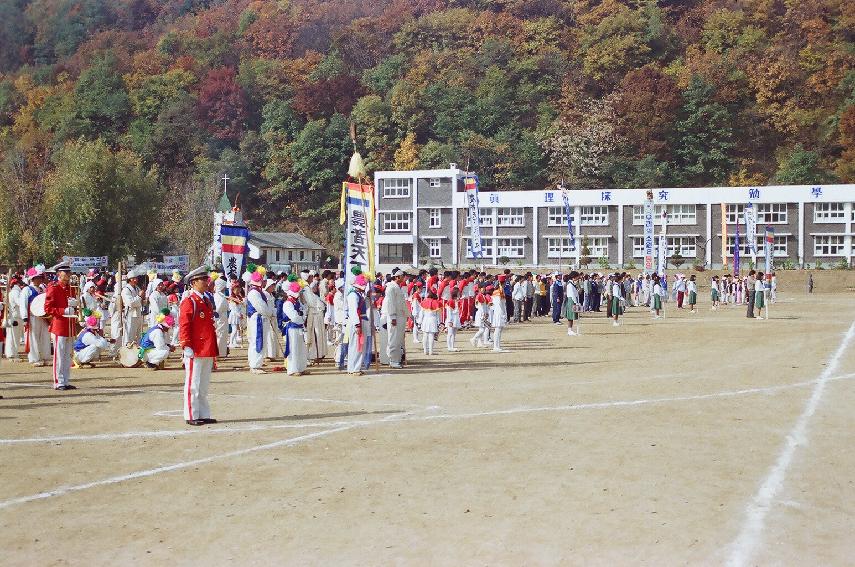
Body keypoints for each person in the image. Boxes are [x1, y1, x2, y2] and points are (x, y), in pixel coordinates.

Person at [179, 266, 217, 426]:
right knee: (193, 384)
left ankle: (203, 413)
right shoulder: (190, 301)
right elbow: (184, 324)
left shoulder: (206, 300)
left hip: (206, 347)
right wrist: (186, 344)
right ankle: (191, 414)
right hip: (195, 347)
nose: (206, 282)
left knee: (203, 384)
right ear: (194, 282)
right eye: (203, 279)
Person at [44, 263, 77, 390]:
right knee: (59, 355)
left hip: (69, 325)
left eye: (69, 273)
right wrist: (64, 311)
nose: (68, 275)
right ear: (59, 274)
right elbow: (47, 308)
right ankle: (58, 382)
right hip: (59, 325)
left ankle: (66, 380)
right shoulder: (53, 287)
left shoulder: (70, 288)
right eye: (66, 273)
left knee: (68, 355)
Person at [21, 266, 51, 366]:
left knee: (45, 337)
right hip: (32, 317)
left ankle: (45, 357)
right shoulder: (27, 290)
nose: (40, 279)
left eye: (40, 278)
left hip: (43, 317)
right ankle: (34, 358)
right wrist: (25, 318)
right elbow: (23, 304)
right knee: (33, 338)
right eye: (38, 278)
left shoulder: (42, 289)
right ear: (33, 279)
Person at [246, 268, 273, 374]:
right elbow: (261, 307)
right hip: (258, 319)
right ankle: (255, 365)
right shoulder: (254, 292)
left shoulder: (258, 291)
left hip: (261, 318)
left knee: (259, 341)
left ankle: (256, 362)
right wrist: (269, 313)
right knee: (258, 341)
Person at [382, 267, 407, 369]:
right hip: (395, 317)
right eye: (401, 276)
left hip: (400, 316)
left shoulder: (396, 287)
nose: (403, 278)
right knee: (394, 339)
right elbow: (391, 303)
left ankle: (396, 359)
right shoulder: (391, 287)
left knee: (398, 339)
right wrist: (392, 317)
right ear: (397, 277)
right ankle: (393, 360)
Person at [281, 281, 308, 375]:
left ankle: (300, 367)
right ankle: (293, 369)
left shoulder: (297, 302)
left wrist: (302, 316)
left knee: (301, 348)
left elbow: (304, 311)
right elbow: (295, 317)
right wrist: (302, 317)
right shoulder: (287, 303)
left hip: (299, 327)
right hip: (292, 328)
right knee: (293, 348)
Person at [346, 274, 369, 375]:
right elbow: (353, 311)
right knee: (356, 346)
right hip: (357, 321)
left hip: (361, 320)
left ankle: (355, 367)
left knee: (358, 346)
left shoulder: (358, 294)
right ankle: (354, 368)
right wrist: (357, 325)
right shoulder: (353, 295)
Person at [121, 269, 144, 345]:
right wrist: (140, 297)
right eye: (133, 278)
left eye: (136, 278)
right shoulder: (126, 290)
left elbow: (140, 301)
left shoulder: (137, 288)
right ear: (129, 280)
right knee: (129, 334)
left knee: (138, 333)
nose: (135, 280)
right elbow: (130, 303)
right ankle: (127, 350)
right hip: (130, 314)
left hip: (138, 313)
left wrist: (144, 299)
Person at [212, 277, 229, 358]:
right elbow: (217, 310)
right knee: (220, 335)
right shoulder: (219, 297)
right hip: (220, 319)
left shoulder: (221, 295)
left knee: (223, 335)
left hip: (223, 318)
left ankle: (222, 352)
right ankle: (219, 353)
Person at [491, 281, 509, 352]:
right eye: (503, 284)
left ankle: (498, 345)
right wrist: (503, 313)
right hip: (499, 312)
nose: (504, 285)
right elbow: (498, 304)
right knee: (498, 329)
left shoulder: (500, 292)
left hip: (501, 312)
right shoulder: (497, 292)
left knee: (499, 329)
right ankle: (496, 346)